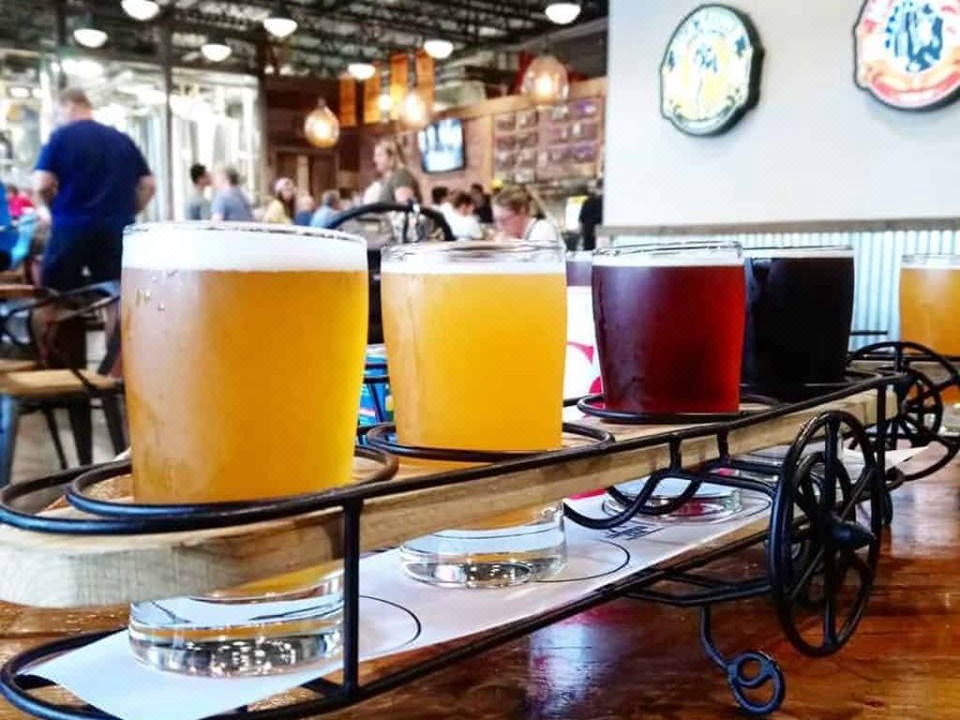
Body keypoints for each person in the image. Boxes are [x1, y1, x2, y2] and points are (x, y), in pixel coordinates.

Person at [33, 87, 155, 290]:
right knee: (116, 294)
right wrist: (128, 210)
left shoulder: (61, 137)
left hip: (70, 227)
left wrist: (52, 209)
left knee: (54, 293)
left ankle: (61, 321)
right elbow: (148, 185)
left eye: (57, 113)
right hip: (116, 229)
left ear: (69, 105)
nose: (58, 119)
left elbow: (42, 184)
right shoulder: (122, 139)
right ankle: (114, 322)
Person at [491, 183, 561, 244]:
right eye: (496, 220)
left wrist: (510, 247)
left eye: (504, 220)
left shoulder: (542, 231)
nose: (499, 226)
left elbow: (541, 258)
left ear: (522, 211)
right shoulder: (518, 237)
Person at [373, 138, 420, 205]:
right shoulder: (392, 178)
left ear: (392, 157)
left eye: (379, 155)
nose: (375, 159)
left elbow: (404, 210)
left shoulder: (401, 175)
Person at [578, 179, 604, 251]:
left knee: (589, 253)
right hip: (600, 232)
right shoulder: (605, 202)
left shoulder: (587, 201)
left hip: (589, 231)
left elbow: (581, 219)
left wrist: (581, 233)